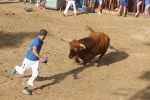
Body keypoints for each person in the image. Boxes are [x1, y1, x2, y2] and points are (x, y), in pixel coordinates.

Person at [11, 29, 48, 95]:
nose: (46, 36)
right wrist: (41, 58)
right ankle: (16, 68)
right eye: (45, 35)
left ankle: (26, 88)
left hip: (35, 60)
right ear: (43, 35)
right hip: (29, 59)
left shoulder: (41, 41)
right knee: (22, 72)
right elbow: (34, 51)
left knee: (35, 74)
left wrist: (40, 59)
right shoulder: (37, 41)